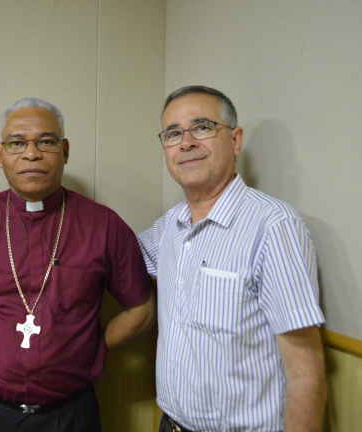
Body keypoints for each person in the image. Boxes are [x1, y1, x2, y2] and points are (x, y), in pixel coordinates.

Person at [0, 97, 154, 431]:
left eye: (46, 141)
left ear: (65, 151)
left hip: (69, 413)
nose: (31, 153)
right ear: (0, 155)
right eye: (17, 143)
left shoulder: (104, 226)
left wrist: (90, 347)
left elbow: (141, 310)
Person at [138, 85, 327, 432]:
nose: (187, 142)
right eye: (173, 133)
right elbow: (110, 256)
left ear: (236, 140)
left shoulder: (273, 227)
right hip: (170, 425)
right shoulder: (169, 226)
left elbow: (306, 372)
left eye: (203, 127)